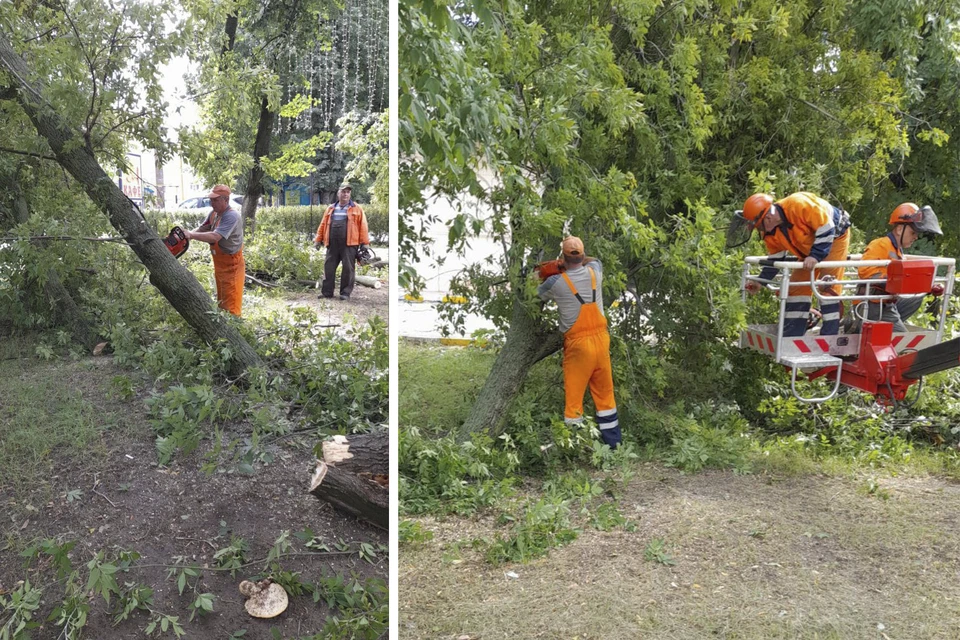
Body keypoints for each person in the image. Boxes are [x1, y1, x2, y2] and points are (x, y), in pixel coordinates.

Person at [537, 236, 621, 449]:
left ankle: (574, 446)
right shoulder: (596, 272)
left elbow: (536, 292)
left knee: (574, 399)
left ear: (563, 258)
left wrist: (555, 267)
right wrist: (571, 261)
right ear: (583, 256)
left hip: (578, 347)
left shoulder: (555, 283)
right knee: (605, 396)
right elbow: (595, 259)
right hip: (602, 342)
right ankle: (614, 446)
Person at [735, 191, 852, 336]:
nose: (760, 231)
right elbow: (776, 259)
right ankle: (792, 334)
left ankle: (829, 337)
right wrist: (760, 281)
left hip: (835, 237)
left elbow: (826, 228)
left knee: (828, 285)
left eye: (759, 227)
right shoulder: (771, 233)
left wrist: (815, 256)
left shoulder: (798, 204)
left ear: (769, 217)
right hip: (809, 250)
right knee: (796, 288)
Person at [852, 203, 944, 332]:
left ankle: (885, 327)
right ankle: (860, 328)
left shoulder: (898, 252)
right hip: (870, 304)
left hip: (886, 304)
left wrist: (927, 286)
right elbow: (865, 271)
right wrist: (892, 281)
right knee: (889, 340)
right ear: (900, 229)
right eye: (913, 232)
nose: (915, 237)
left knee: (916, 299)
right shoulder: (880, 244)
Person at [185, 184, 244, 316]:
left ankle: (234, 330)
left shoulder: (231, 216)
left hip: (231, 266)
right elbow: (202, 229)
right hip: (220, 266)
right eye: (211, 200)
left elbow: (215, 236)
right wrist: (186, 237)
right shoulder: (214, 214)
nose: (212, 203)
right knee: (222, 301)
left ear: (226, 200)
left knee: (231, 305)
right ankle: (223, 328)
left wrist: (191, 235)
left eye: (215, 200)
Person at [314, 184, 370, 300]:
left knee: (348, 269)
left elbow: (363, 226)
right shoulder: (330, 209)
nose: (345, 194)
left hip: (350, 244)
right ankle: (327, 293)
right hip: (332, 244)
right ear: (338, 193)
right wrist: (318, 240)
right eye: (343, 192)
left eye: (348, 192)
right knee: (328, 267)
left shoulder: (357, 208)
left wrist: (365, 243)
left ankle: (345, 293)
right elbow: (323, 225)